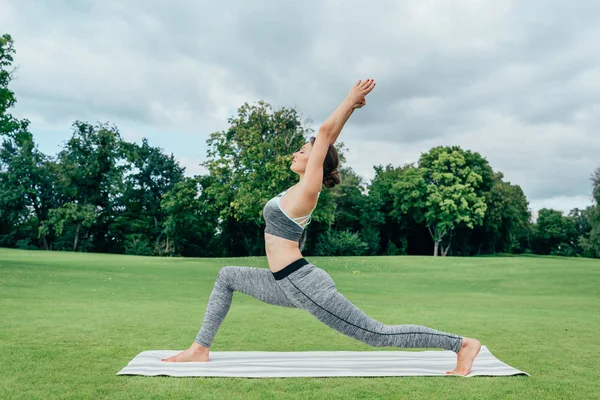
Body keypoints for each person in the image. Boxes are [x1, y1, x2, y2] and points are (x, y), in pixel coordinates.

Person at [163, 79, 481, 376]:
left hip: (303, 283)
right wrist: (349, 112)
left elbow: (325, 135)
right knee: (227, 276)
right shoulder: (293, 190)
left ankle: (461, 344)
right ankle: (199, 348)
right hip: (282, 282)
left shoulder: (307, 192)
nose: (296, 152)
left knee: (375, 333)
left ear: (315, 160)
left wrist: (348, 101)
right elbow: (327, 140)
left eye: (302, 150)